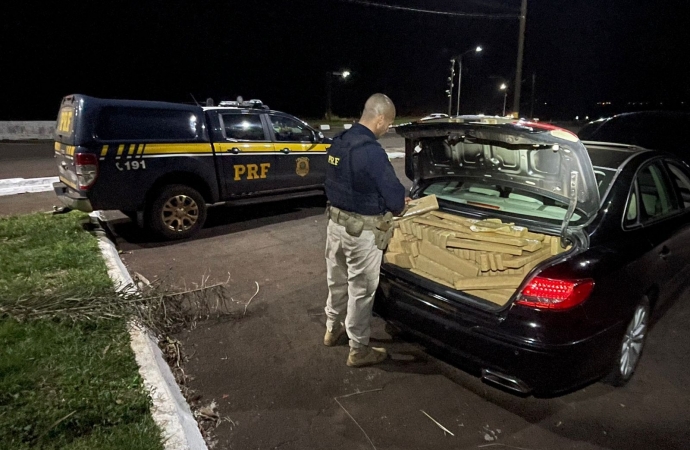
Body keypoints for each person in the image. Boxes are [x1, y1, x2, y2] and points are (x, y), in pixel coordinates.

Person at [322, 93, 408, 367]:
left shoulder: (339, 142)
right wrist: (397, 204)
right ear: (380, 118)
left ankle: (332, 329)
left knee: (336, 281)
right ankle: (358, 349)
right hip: (361, 234)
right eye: (389, 123)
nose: (387, 129)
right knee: (361, 290)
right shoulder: (371, 151)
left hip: (335, 225)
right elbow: (395, 199)